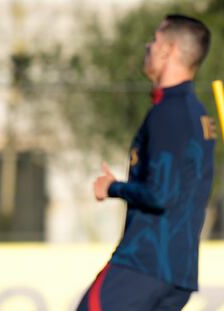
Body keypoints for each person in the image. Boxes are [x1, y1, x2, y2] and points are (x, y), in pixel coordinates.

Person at [77, 15, 215, 311]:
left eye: (154, 40)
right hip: (180, 273)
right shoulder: (197, 113)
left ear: (169, 50)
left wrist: (113, 187)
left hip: (144, 263)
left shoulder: (169, 112)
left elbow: (161, 193)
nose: (148, 46)